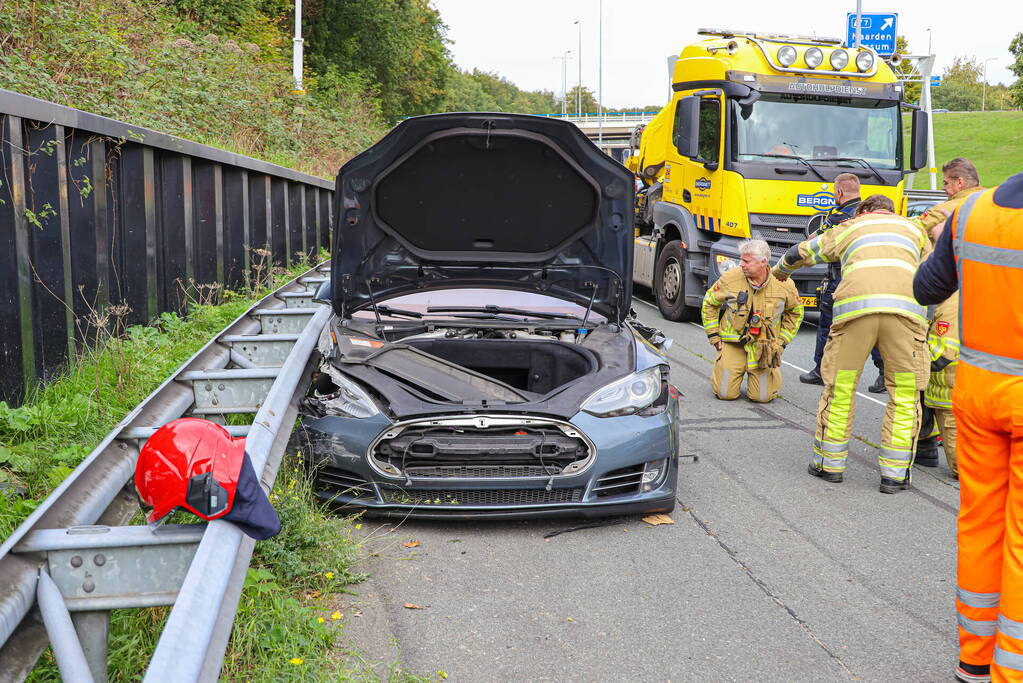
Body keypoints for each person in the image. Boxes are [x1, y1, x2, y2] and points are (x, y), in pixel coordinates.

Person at [913, 172, 1023, 683]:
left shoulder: (972, 211)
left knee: (980, 523)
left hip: (978, 394)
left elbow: (926, 286)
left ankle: (975, 659)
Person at [774, 194, 930, 493]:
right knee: (906, 394)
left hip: (856, 316)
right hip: (906, 317)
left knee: (841, 387)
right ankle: (894, 475)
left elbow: (802, 252)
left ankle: (829, 465)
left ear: (863, 211)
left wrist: (780, 271)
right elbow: (933, 271)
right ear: (891, 212)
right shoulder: (915, 230)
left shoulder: (850, 226)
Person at [798, 173, 886, 392]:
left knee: (828, 324)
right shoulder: (867, 214)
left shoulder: (840, 217)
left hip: (841, 278)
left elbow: (815, 242)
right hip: (871, 278)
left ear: (839, 192)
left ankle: (821, 368)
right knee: (871, 324)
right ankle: (885, 372)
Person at [702, 239, 803, 403]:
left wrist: (781, 342)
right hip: (733, 342)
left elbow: (796, 313)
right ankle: (728, 366)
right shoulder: (730, 278)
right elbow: (709, 303)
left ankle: (768, 375)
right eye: (741, 259)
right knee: (724, 394)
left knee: (761, 397)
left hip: (764, 347)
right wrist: (714, 337)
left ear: (763, 262)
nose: (741, 264)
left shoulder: (784, 284)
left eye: (746, 261)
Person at [916, 157, 985, 235]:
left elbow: (912, 228)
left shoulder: (944, 210)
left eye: (946, 183)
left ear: (959, 182)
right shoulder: (991, 201)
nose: (942, 188)